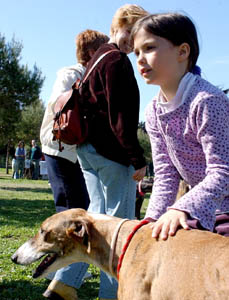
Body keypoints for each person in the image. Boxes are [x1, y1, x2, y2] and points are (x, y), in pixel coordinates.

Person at [59, 4, 147, 300]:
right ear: (121, 25)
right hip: (110, 154)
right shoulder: (117, 61)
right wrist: (138, 158)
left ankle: (65, 282)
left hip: (87, 150)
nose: (133, 43)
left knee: (94, 222)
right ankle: (113, 296)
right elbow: (120, 117)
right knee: (118, 229)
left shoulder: (98, 57)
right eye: (132, 32)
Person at [131, 13, 229, 241]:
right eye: (136, 52)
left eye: (149, 48)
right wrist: (151, 221)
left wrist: (181, 207)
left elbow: (223, 171)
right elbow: (166, 174)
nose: (140, 59)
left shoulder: (206, 100)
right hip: (203, 208)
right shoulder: (153, 111)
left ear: (182, 52)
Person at [40, 29, 109, 300]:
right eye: (102, 50)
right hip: (61, 152)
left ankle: (66, 281)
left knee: (82, 216)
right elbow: (61, 106)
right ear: (92, 52)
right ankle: (59, 280)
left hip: (77, 154)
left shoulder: (89, 75)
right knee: (70, 215)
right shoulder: (70, 74)